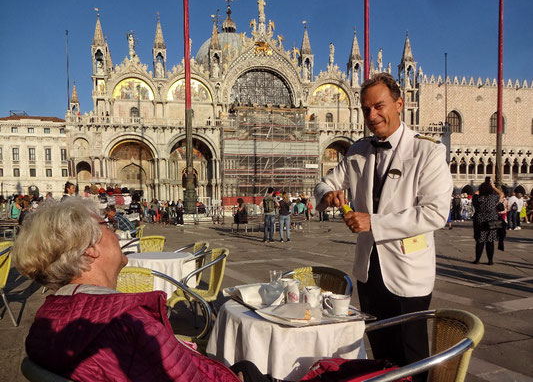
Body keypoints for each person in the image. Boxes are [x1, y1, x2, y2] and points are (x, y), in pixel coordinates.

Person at [12, 198, 269, 382]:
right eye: (108, 227)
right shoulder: (127, 323)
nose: (117, 234)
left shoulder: (48, 318)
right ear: (89, 247)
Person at [314, 72, 453, 381]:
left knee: (411, 357)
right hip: (368, 272)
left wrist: (373, 223)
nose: (372, 115)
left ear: (399, 104)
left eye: (379, 106)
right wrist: (329, 194)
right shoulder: (358, 151)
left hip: (408, 272)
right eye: (366, 109)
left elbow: (435, 213)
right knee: (381, 356)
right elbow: (324, 184)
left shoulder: (427, 151)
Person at [472, 179, 504, 264]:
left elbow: (474, 194)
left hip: (480, 221)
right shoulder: (494, 198)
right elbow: (501, 194)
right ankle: (490, 260)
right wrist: (493, 187)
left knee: (480, 240)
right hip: (492, 221)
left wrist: (484, 187)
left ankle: (477, 260)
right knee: (490, 241)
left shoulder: (478, 198)